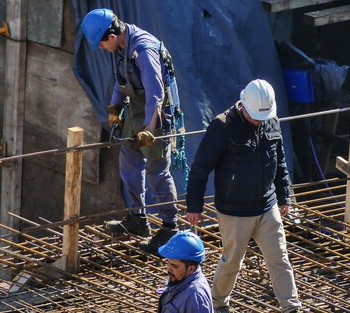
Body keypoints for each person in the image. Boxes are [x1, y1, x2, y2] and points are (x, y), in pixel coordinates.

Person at [185, 79, 302, 313]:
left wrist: (284, 196)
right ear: (243, 106)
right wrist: (194, 205)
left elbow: (280, 163)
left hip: (267, 206)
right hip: (234, 210)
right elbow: (200, 167)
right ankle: (217, 304)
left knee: (279, 258)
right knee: (232, 262)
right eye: (256, 115)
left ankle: (291, 307)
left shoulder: (271, 122)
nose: (260, 120)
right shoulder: (223, 126)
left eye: (264, 115)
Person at [81, 8, 179, 254]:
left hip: (155, 114)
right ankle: (138, 219)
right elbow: (120, 79)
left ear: (112, 36)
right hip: (134, 109)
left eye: (101, 44)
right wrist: (114, 107)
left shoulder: (144, 51)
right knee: (129, 166)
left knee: (157, 171)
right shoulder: (120, 48)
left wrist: (149, 130)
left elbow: (155, 95)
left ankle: (170, 227)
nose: (101, 48)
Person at [158, 232, 213, 313]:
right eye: (168, 263)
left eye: (174, 265)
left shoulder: (195, 296)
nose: (168, 268)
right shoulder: (181, 281)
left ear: (191, 269)